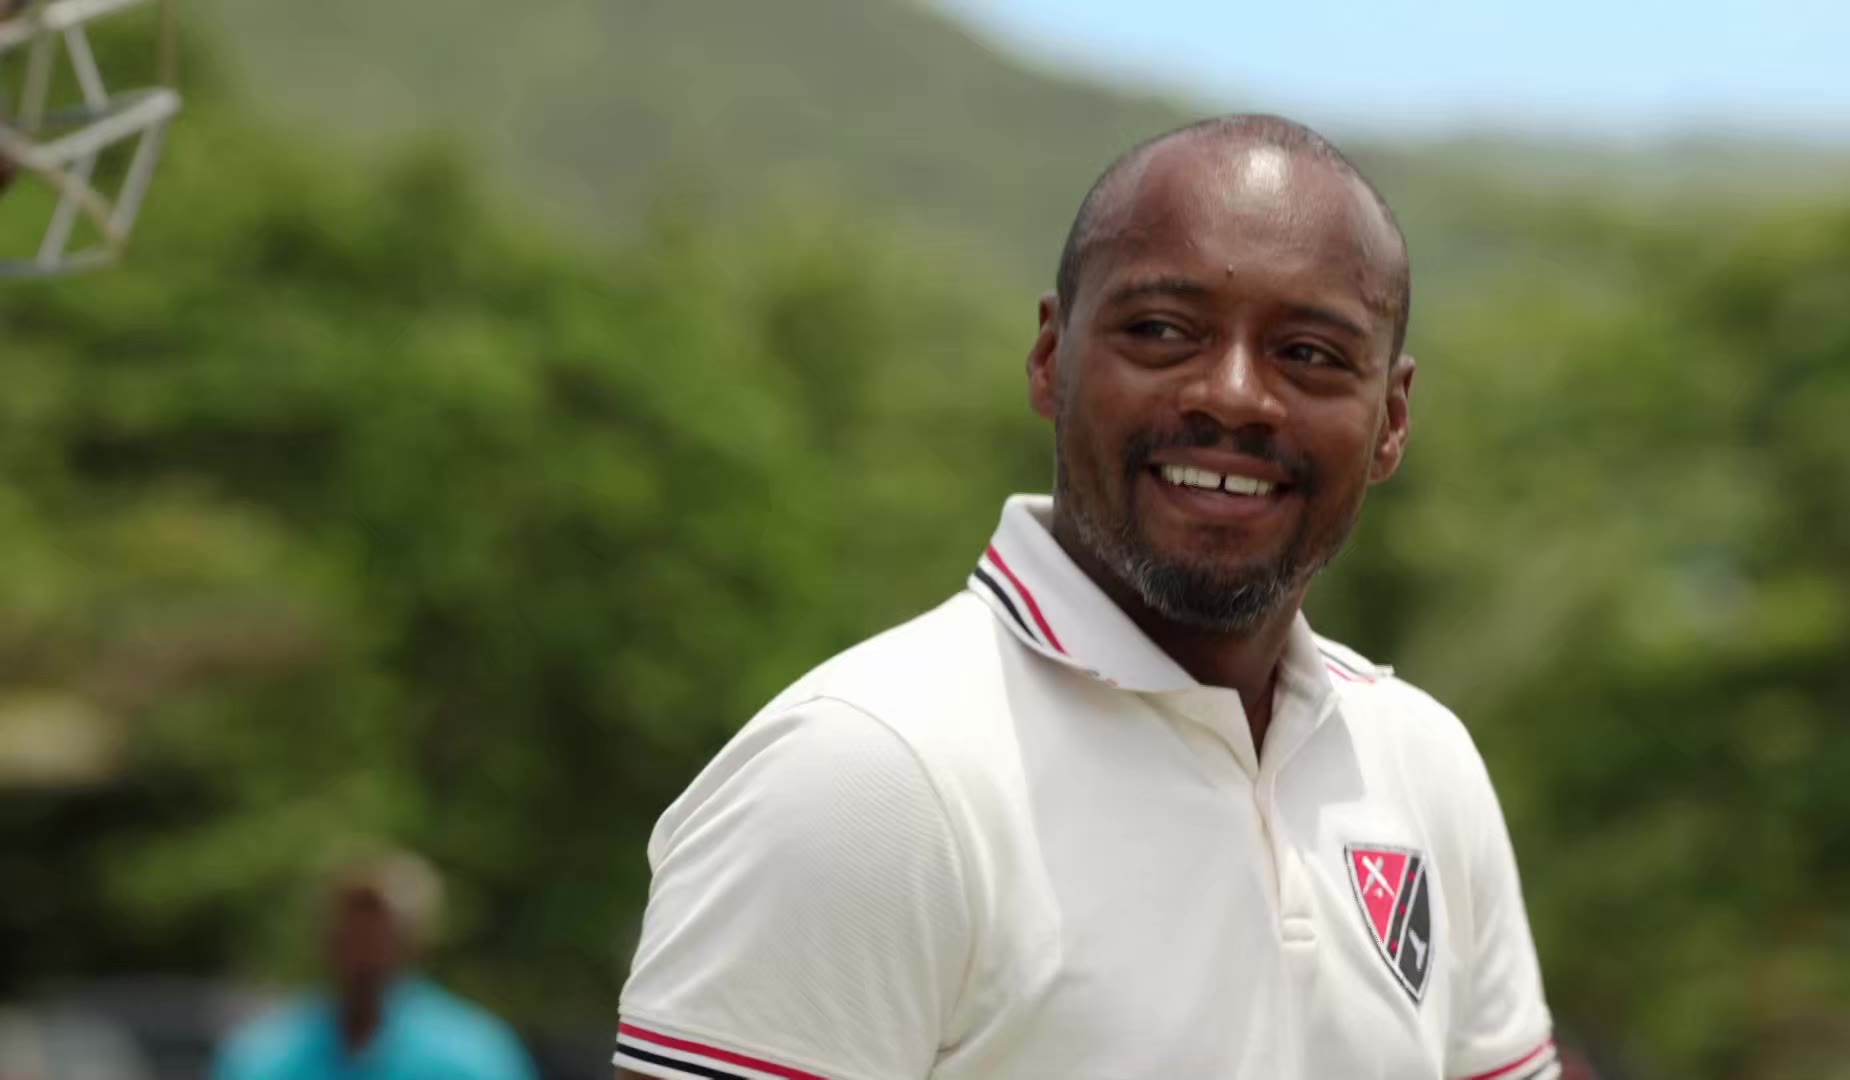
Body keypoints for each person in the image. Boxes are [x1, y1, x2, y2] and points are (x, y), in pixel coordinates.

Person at [613, 114, 1560, 1080]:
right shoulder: (869, 774)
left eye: (1310, 353)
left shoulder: (1422, 763)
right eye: (1161, 332)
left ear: (1391, 419)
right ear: (1049, 359)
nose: (1234, 394)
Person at [214, 850, 536, 1080]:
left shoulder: (473, 1055)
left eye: (380, 935)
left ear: (415, 944)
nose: (364, 951)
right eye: (353, 932)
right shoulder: (266, 1055)